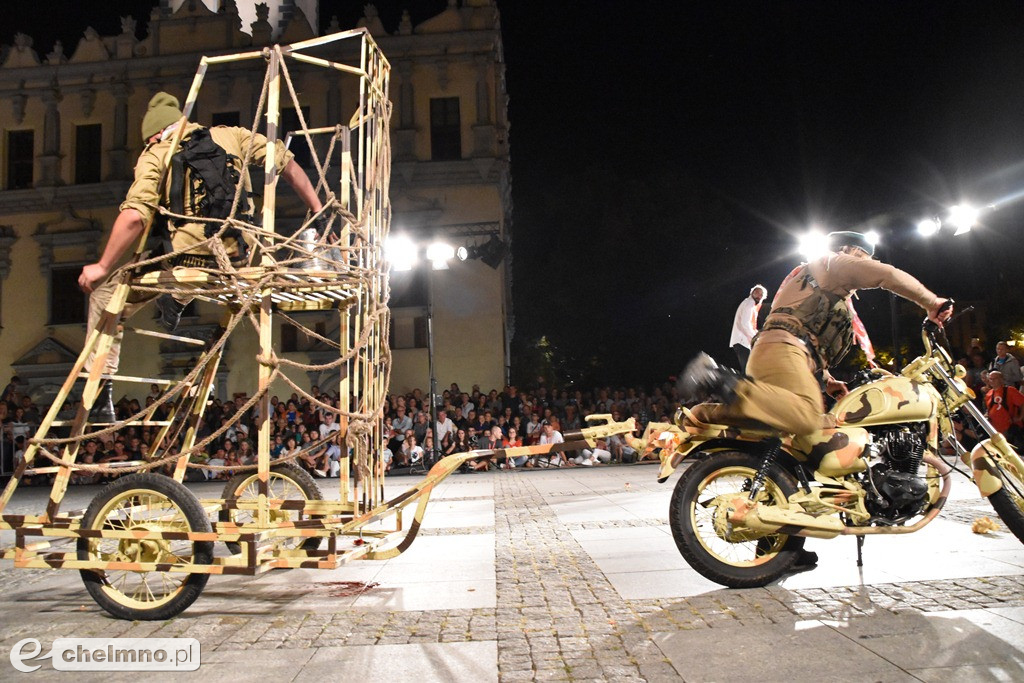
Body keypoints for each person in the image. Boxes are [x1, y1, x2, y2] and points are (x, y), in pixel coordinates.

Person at [78, 92, 326, 423]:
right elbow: (288, 163)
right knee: (177, 266)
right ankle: (177, 299)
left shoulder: (157, 154)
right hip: (241, 257)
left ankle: (100, 394)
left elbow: (135, 216)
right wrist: (317, 210)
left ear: (153, 134)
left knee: (108, 292)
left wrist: (102, 266)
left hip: (189, 259)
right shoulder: (232, 135)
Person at [681, 231, 951, 437]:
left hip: (777, 352)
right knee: (809, 418)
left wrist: (827, 379)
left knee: (778, 420)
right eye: (866, 258)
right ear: (853, 250)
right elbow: (887, 275)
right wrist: (931, 302)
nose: (868, 264)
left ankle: (703, 413)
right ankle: (721, 378)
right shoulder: (834, 263)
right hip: (784, 351)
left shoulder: (815, 278)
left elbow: (806, 331)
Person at [729, 284, 767, 370]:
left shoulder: (750, 304)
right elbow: (745, 324)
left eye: (761, 294)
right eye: (757, 292)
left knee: (748, 370)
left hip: (742, 341)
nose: (759, 295)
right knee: (748, 371)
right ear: (752, 293)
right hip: (742, 341)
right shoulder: (750, 303)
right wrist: (755, 337)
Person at [984, 371, 1024, 446]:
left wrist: (1020, 417)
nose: (992, 381)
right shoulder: (989, 394)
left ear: (1001, 379)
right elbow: (989, 409)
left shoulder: (1010, 390)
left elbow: (1022, 403)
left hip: (1009, 429)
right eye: (990, 379)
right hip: (995, 430)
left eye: (994, 378)